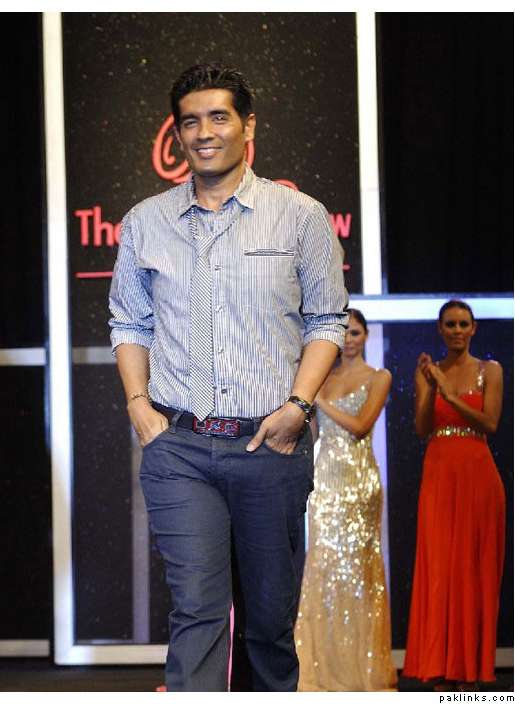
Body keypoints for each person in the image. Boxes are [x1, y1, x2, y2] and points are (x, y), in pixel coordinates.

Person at [108, 61, 348, 692]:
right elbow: (128, 322)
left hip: (270, 445)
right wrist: (139, 406)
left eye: (219, 117)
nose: (204, 132)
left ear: (249, 126)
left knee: (268, 623)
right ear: (178, 135)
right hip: (179, 447)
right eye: (191, 122)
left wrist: (298, 407)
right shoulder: (145, 222)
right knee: (197, 611)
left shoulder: (300, 216)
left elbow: (327, 319)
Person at [403, 300, 505, 692]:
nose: (457, 330)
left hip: (478, 476)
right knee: (439, 570)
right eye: (451, 324)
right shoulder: (429, 371)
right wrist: (432, 389)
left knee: (473, 572)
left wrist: (451, 395)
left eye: (464, 324)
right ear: (440, 329)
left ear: (474, 328)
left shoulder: (490, 370)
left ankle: (470, 672)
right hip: (439, 474)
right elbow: (422, 427)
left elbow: (490, 423)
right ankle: (440, 669)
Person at [294, 308, 397, 691]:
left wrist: (319, 401)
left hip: (359, 482)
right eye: (345, 333)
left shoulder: (379, 377)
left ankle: (361, 669)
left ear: (366, 335)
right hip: (325, 480)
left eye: (355, 332)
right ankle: (321, 668)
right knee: (323, 566)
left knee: (359, 572)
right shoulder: (325, 377)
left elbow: (360, 426)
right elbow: (315, 433)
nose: (350, 339)